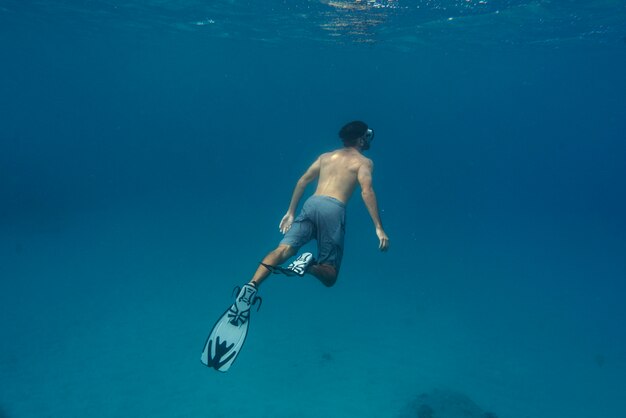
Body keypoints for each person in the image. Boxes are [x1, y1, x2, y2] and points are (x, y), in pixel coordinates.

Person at [201, 120, 390, 372]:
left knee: (282, 250)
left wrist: (290, 212)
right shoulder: (364, 162)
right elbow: (366, 190)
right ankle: (310, 265)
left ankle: (251, 285)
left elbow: (303, 180)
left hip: (311, 204)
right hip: (333, 209)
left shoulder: (326, 157)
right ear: (361, 139)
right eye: (367, 137)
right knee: (330, 275)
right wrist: (378, 226)